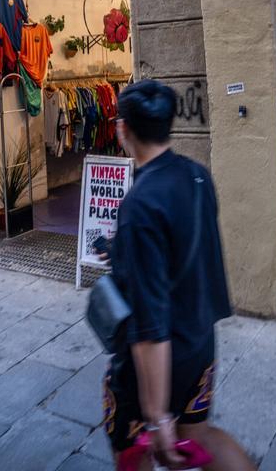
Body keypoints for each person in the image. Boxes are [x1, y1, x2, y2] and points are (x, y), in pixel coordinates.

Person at [102, 79, 254, 471]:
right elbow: (186, 248)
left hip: (160, 355)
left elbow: (149, 320)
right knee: (199, 435)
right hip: (199, 341)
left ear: (123, 130)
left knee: (130, 447)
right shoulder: (197, 175)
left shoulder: (139, 204)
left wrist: (156, 415)